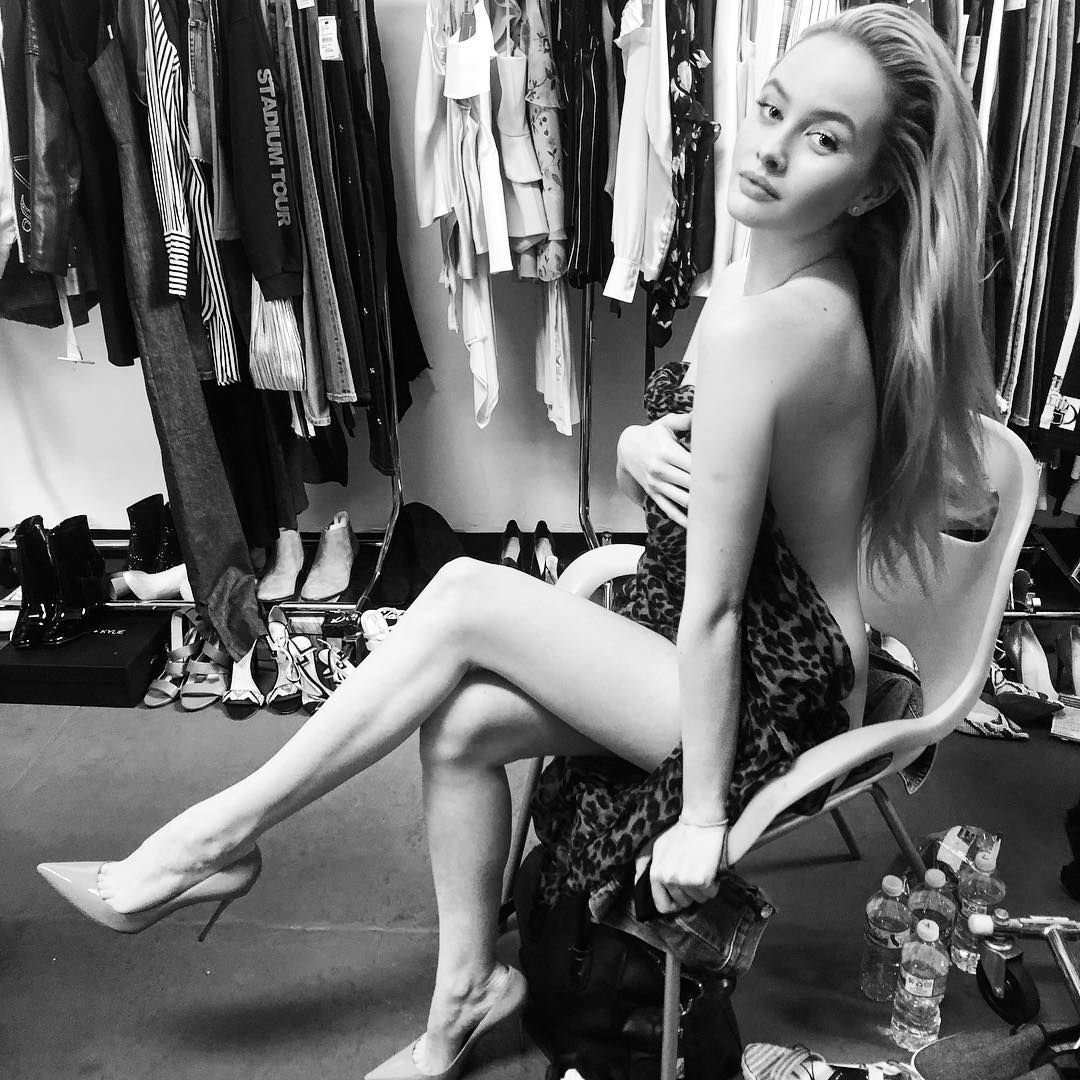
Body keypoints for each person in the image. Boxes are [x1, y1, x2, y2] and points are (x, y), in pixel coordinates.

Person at [37, 7, 996, 1079]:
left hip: (780, 682)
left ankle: (216, 837)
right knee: (458, 725)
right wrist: (633, 445)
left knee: (461, 593)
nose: (770, 148)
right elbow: (715, 472)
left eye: (822, 138)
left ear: (868, 189)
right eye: (771, 110)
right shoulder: (761, 275)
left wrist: (702, 817)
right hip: (730, 633)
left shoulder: (768, 323)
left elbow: (723, 606)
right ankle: (464, 995)